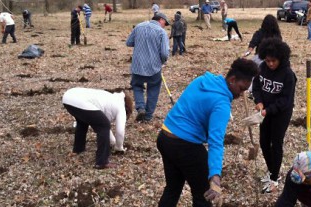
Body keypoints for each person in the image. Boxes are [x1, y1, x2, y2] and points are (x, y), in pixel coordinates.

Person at [157, 58, 259, 206]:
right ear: (232, 79)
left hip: (165, 138)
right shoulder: (222, 104)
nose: (241, 93)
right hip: (185, 146)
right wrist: (215, 175)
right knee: (203, 195)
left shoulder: (203, 80)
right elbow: (216, 141)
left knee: (172, 188)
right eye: (241, 88)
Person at [252, 38, 297, 193]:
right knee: (264, 142)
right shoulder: (262, 68)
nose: (270, 64)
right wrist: (258, 102)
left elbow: (285, 100)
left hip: (281, 114)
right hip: (265, 111)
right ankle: (272, 172)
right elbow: (256, 86)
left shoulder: (288, 75)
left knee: (275, 143)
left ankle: (274, 178)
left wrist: (268, 110)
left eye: (273, 61)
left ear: (281, 58)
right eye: (267, 60)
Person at [62, 88, 133, 169]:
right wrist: (119, 148)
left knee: (83, 122)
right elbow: (119, 132)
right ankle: (101, 162)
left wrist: (113, 142)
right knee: (104, 126)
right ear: (128, 108)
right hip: (79, 101)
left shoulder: (110, 98)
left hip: (68, 97)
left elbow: (103, 125)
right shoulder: (121, 108)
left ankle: (78, 149)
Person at [126, 13, 170, 122]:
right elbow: (164, 53)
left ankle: (141, 108)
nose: (165, 25)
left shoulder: (139, 26)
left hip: (138, 65)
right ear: (161, 20)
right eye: (165, 23)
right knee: (153, 90)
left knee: (137, 86)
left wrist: (141, 43)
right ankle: (148, 116)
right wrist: (163, 61)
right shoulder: (161, 32)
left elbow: (129, 42)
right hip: (154, 67)